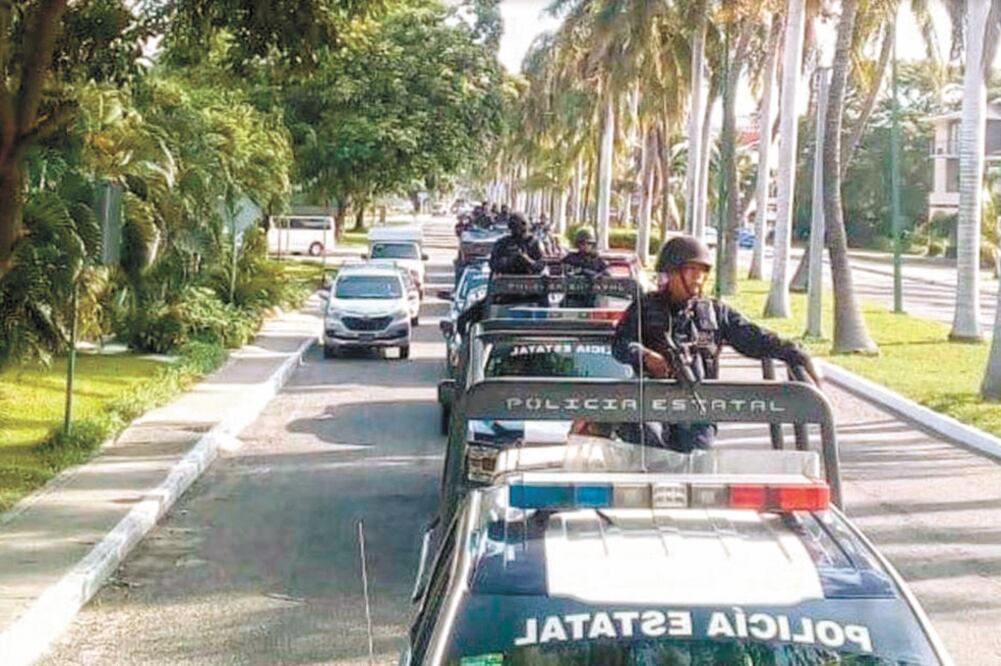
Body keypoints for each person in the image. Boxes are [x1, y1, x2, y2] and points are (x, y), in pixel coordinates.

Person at [611, 235, 821, 452]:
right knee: (649, 449)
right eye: (691, 270)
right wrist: (645, 356)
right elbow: (620, 344)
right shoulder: (644, 308)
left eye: (703, 272)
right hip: (651, 404)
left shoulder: (714, 312)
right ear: (671, 272)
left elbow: (753, 338)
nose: (698, 278)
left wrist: (794, 352)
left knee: (699, 461)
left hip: (699, 408)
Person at [561, 228, 608, 307]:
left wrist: (596, 275)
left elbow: (607, 274)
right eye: (583, 243)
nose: (586, 246)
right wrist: (582, 271)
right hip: (574, 297)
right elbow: (567, 273)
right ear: (578, 245)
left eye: (589, 243)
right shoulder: (571, 258)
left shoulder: (596, 259)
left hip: (592, 297)